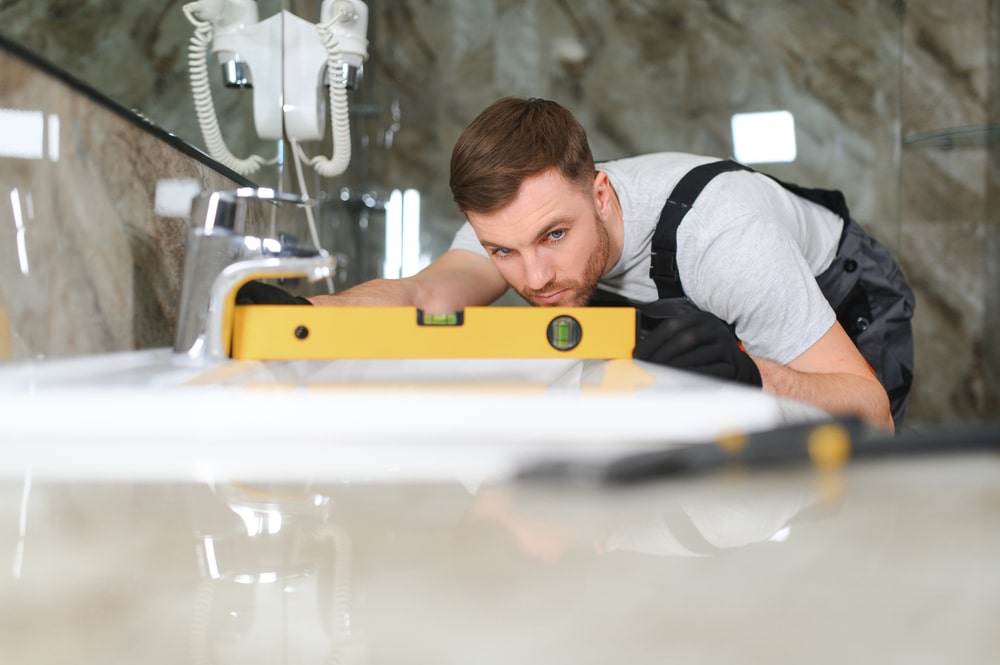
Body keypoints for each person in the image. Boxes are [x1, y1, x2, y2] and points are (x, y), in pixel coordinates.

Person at [297, 97, 914, 432]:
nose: (533, 278)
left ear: (600, 194)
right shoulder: (516, 213)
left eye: (554, 236)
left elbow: (870, 411)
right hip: (713, 299)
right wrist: (304, 317)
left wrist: (754, 375)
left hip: (842, 293)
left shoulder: (725, 243)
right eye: (502, 252)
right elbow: (421, 297)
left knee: (841, 480)